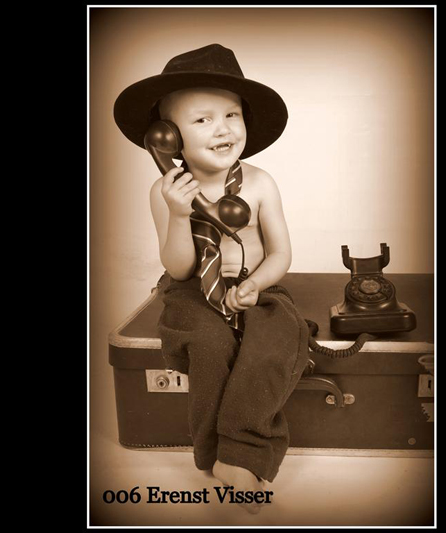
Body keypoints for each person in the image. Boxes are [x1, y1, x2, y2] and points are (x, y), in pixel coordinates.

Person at [114, 44, 310, 514]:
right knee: (207, 345)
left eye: (231, 115)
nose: (223, 128)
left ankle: (242, 452)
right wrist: (180, 214)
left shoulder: (260, 183)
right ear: (166, 139)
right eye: (202, 119)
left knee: (275, 342)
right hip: (192, 292)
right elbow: (180, 268)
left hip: (257, 285)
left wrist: (256, 284)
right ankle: (214, 451)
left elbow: (281, 253)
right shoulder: (164, 191)